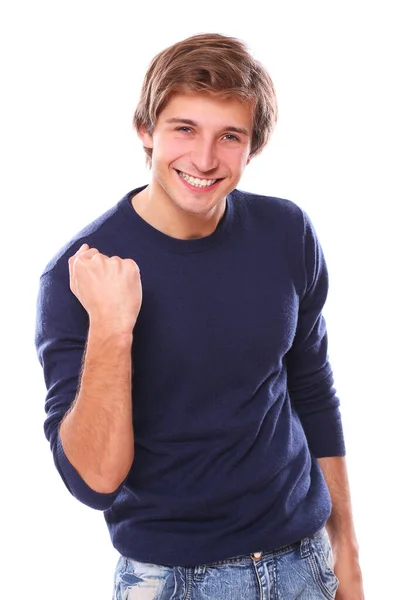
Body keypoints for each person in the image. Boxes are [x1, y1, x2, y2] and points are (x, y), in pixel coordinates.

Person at [35, 33, 364, 599]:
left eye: (229, 136)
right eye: (184, 129)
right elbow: (94, 482)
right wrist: (112, 329)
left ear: (251, 146)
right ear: (146, 129)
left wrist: (349, 557)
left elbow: (312, 390)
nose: (205, 159)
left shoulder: (287, 233)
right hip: (174, 583)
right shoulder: (81, 275)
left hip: (306, 566)